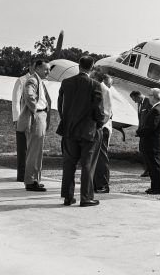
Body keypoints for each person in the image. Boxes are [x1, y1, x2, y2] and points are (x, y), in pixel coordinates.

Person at [57, 56, 106, 207]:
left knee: (69, 164)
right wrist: (100, 123)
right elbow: (98, 109)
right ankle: (85, 197)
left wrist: (65, 120)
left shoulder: (66, 83)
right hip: (88, 131)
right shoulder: (95, 85)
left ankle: (68, 196)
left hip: (69, 130)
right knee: (87, 165)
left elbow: (60, 105)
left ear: (79, 66)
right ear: (91, 67)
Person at [16, 60, 51, 192]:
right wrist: (35, 109)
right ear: (37, 68)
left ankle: (35, 180)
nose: (48, 72)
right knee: (33, 152)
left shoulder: (39, 81)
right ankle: (30, 181)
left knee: (38, 152)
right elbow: (28, 94)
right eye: (46, 69)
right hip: (37, 117)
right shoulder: (32, 80)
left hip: (41, 117)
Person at [135, 88, 160, 195]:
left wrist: (139, 132)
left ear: (154, 97)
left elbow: (151, 127)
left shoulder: (156, 110)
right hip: (156, 142)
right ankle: (155, 187)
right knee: (154, 167)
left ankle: (158, 189)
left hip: (153, 143)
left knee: (155, 167)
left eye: (149, 95)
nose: (148, 97)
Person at [11, 60, 35, 182]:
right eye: (35, 66)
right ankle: (22, 175)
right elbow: (15, 100)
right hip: (23, 119)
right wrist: (16, 118)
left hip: (35, 119)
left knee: (32, 147)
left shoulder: (40, 81)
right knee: (23, 148)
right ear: (30, 67)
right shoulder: (21, 80)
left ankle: (30, 173)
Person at [92, 73, 113, 194]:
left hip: (101, 127)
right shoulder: (97, 88)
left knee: (101, 157)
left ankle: (103, 184)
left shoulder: (104, 90)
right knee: (97, 156)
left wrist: (98, 126)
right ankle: (97, 183)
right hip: (98, 126)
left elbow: (106, 112)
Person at [130, 90, 152, 177]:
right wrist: (139, 130)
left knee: (148, 151)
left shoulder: (148, 102)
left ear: (139, 96)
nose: (135, 102)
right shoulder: (140, 104)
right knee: (143, 150)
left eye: (135, 99)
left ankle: (150, 170)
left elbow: (151, 118)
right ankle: (147, 169)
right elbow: (140, 119)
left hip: (147, 132)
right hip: (142, 132)